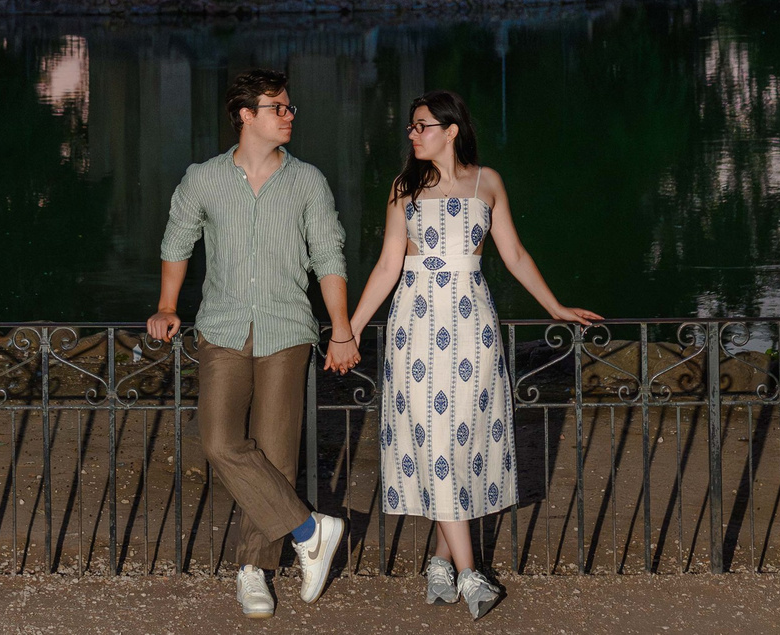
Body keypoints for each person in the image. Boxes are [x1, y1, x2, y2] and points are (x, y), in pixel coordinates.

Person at [346, 89, 599, 620]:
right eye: (412, 128)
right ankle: (468, 574)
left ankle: (440, 560)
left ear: (451, 130)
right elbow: (389, 265)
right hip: (414, 326)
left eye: (421, 126)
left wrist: (554, 306)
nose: (412, 135)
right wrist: (349, 329)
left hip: (471, 326)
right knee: (433, 440)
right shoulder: (402, 189)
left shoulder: (489, 183)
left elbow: (513, 253)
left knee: (460, 443)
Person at [148, 69, 358, 619]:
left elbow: (329, 257)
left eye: (289, 108)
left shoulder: (308, 181)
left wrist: (341, 327)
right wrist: (168, 306)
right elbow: (177, 242)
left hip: (288, 330)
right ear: (245, 115)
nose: (289, 116)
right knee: (219, 442)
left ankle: (253, 570)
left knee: (275, 454)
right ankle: (311, 530)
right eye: (277, 108)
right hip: (222, 327)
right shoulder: (203, 178)